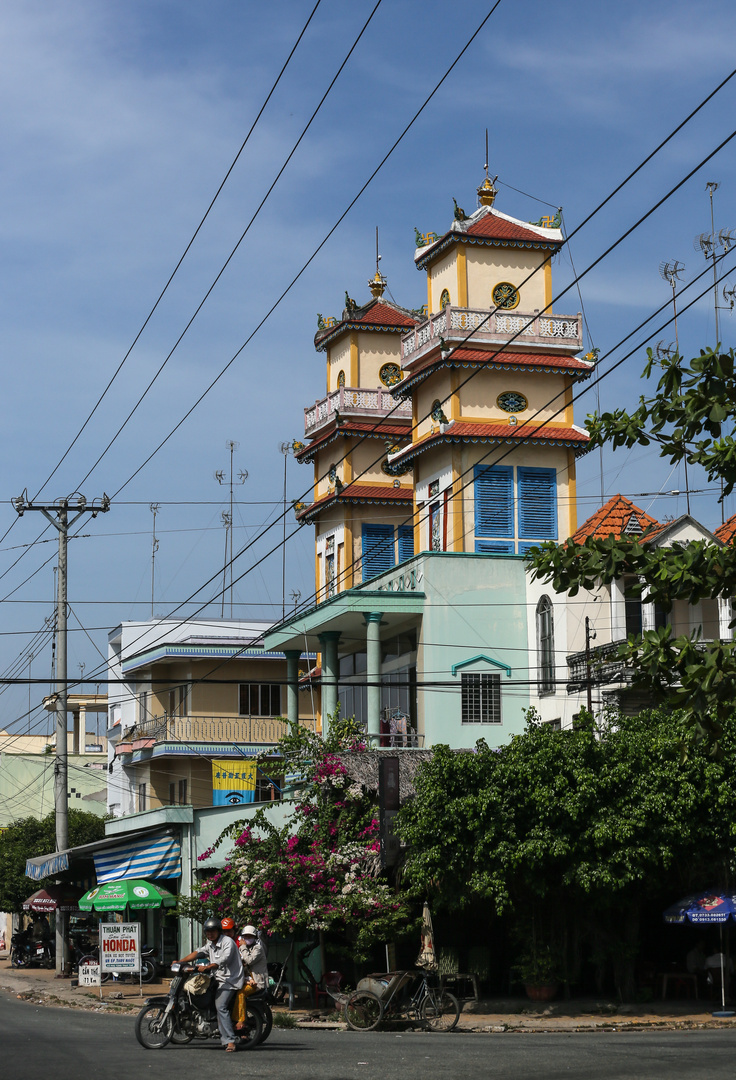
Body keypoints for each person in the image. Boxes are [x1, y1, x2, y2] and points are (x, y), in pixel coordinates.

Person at [177, 916, 244, 1052]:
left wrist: (208, 967)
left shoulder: (227, 942)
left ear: (219, 931)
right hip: (217, 978)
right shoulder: (210, 944)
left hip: (230, 980)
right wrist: (180, 962)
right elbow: (197, 953)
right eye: (207, 932)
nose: (210, 934)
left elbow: (224, 959)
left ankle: (230, 1041)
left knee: (221, 1006)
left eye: (212, 931)